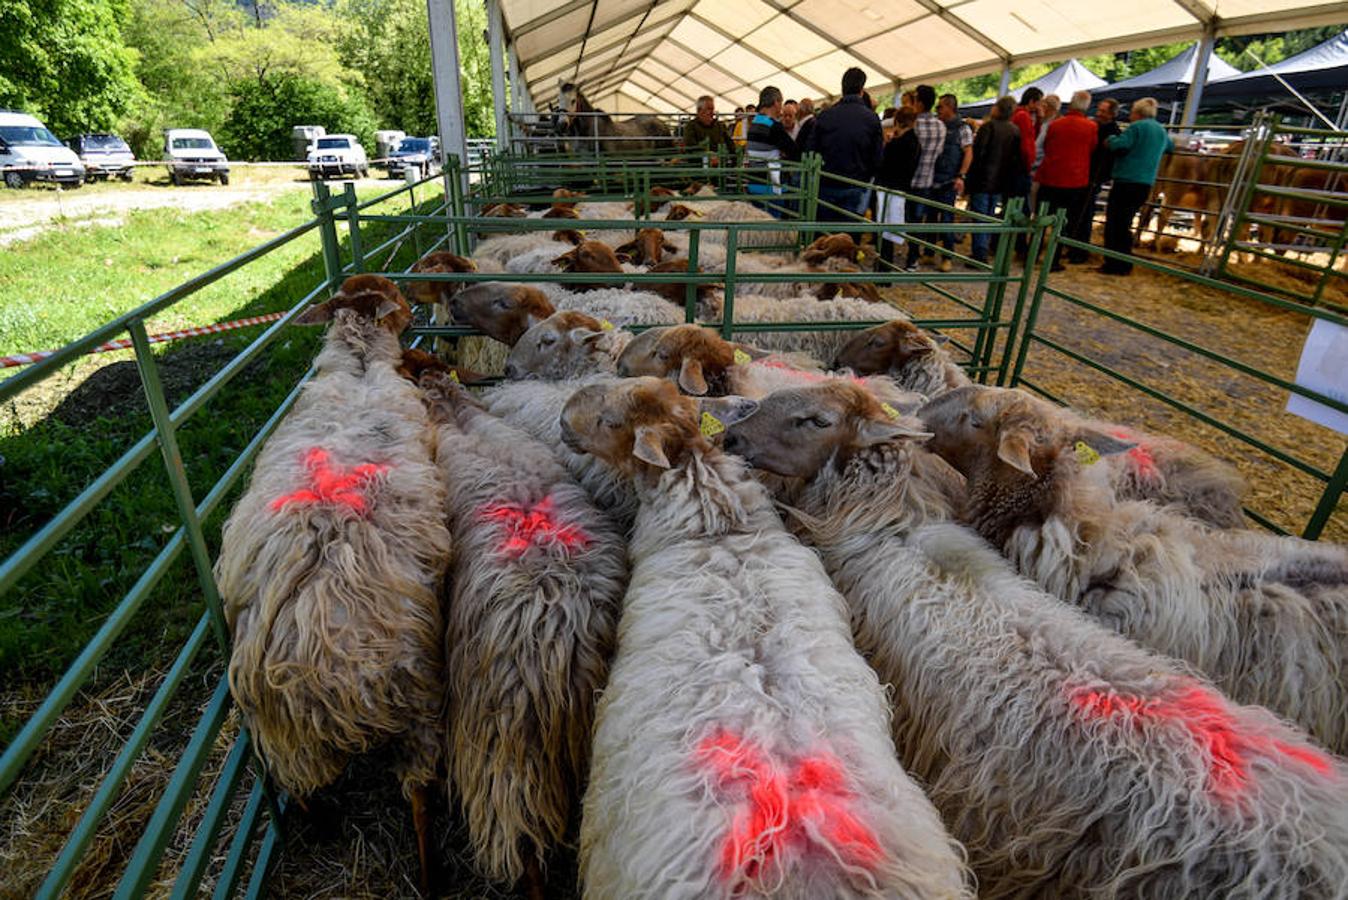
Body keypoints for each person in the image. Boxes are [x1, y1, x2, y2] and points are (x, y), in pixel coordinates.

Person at [1101, 97, 1173, 276]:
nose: (1130, 115)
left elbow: (1121, 144)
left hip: (1126, 180)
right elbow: (1170, 147)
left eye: (1132, 111)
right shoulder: (1161, 130)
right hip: (1145, 183)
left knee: (1115, 223)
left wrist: (1110, 139)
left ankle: (1114, 263)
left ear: (1138, 113)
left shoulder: (1136, 127)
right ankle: (1124, 262)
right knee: (1126, 222)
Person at [906, 88, 971, 271]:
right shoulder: (940, 126)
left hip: (949, 180)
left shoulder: (962, 128)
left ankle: (947, 256)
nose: (938, 110)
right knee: (931, 217)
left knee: (946, 219)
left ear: (950, 107)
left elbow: (968, 153)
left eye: (940, 107)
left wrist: (961, 175)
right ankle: (928, 253)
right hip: (932, 179)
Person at [806, 67, 884, 222]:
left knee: (825, 236)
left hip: (826, 184)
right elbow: (877, 158)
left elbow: (810, 149)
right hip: (855, 185)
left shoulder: (825, 115)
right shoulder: (871, 118)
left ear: (842, 89)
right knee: (849, 237)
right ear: (862, 90)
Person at [1035, 90, 1097, 271]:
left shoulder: (1056, 124)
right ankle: (1053, 261)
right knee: (1062, 222)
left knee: (1042, 218)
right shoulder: (1091, 127)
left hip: (1050, 177)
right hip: (1074, 181)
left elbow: (1046, 146)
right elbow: (1091, 149)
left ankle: (1033, 255)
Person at [964, 95, 1026, 264]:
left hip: (983, 180)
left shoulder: (988, 127)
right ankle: (984, 248)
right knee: (990, 215)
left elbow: (979, 155)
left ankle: (979, 253)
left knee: (979, 217)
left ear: (997, 109)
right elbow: (1015, 159)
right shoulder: (1015, 130)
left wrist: (969, 181)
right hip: (1000, 181)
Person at [1071, 96, 1122, 258]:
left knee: (1085, 212)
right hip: (1083, 173)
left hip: (1094, 176)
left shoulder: (1113, 131)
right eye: (1099, 110)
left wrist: (1100, 176)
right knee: (1077, 211)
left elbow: (1108, 157)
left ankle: (1079, 251)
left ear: (1112, 114)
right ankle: (1073, 245)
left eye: (1103, 111)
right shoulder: (1094, 125)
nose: (1099, 113)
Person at [876, 106, 920, 266]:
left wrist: (887, 145)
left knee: (886, 228)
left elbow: (883, 164)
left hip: (890, 188)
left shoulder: (899, 143)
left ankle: (884, 267)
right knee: (891, 227)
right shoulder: (913, 141)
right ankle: (887, 265)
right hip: (901, 188)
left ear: (896, 121)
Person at [745, 86, 798, 216]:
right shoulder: (773, 126)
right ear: (776, 102)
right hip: (771, 187)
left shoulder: (754, 123)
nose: (781, 108)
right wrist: (782, 154)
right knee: (773, 232)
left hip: (754, 184)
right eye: (780, 103)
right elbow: (794, 152)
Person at [1009, 86, 1042, 253]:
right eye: (1039, 102)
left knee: (1014, 206)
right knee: (1023, 209)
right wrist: (1029, 164)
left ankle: (1005, 243)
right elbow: (1027, 144)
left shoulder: (1017, 114)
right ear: (1032, 101)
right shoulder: (1023, 116)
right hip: (1021, 169)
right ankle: (1020, 246)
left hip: (1014, 167)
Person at [682, 95, 734, 161]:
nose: (712, 112)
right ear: (699, 110)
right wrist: (708, 156)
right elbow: (690, 147)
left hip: (721, 164)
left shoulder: (720, 126)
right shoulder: (691, 126)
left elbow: (730, 145)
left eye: (713, 109)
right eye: (709, 109)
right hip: (700, 166)